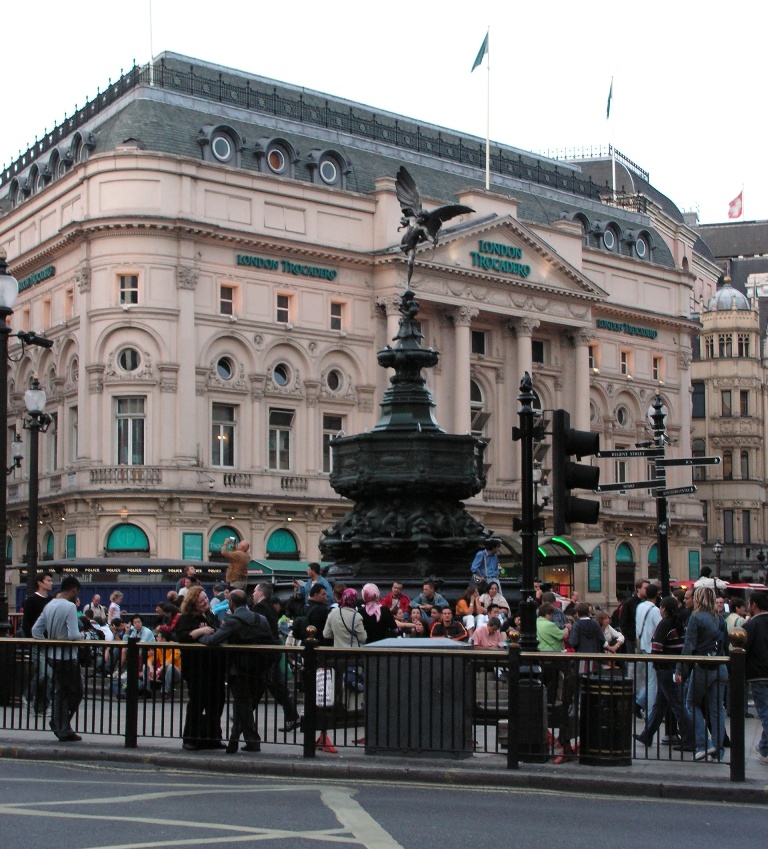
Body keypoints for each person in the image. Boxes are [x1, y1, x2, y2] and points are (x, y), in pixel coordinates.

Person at [199, 589, 274, 754]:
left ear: (231, 603)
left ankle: (252, 741)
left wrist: (201, 636)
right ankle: (236, 741)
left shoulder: (232, 620)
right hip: (261, 668)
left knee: (242, 705)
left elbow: (213, 640)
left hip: (239, 670)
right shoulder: (261, 619)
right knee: (244, 706)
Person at [674, 586, 728, 761]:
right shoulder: (720, 619)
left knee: (691, 704)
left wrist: (680, 669)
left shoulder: (695, 618)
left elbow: (689, 646)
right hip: (720, 666)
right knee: (716, 709)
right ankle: (718, 750)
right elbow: (725, 646)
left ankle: (704, 744)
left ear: (698, 599)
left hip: (703, 667)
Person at [31, 576, 87, 742]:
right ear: (74, 590)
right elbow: (73, 634)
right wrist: (82, 638)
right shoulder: (69, 606)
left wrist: (47, 645)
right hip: (68, 657)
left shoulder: (50, 604)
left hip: (52, 656)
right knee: (75, 692)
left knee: (60, 691)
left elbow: (36, 630)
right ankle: (60, 723)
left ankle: (61, 725)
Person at [173, 586, 227, 751]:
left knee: (216, 702)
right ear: (192, 603)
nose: (205, 602)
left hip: (214, 667)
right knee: (197, 702)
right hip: (197, 667)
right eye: (201, 601)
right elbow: (181, 637)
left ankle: (212, 737)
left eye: (205, 599)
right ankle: (190, 738)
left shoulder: (210, 615)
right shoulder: (186, 618)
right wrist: (199, 631)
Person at [634, 596, 690, 750]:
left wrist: (654, 660)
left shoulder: (664, 624)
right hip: (675, 666)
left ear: (663, 609)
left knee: (677, 705)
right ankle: (647, 734)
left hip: (665, 668)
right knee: (660, 705)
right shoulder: (680, 624)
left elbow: (657, 647)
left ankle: (690, 737)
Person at [252, 582, 302, 732]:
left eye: (255, 591)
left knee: (270, 685)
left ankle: (243, 714)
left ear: (261, 593)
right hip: (272, 652)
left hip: (265, 654)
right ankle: (293, 716)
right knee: (271, 686)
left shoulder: (259, 608)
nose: (253, 593)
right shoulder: (270, 607)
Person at [22, 571, 54, 713]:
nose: (51, 583)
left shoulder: (51, 601)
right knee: (44, 673)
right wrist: (33, 638)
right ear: (40, 583)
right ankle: (28, 695)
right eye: (48, 580)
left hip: (49, 642)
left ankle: (41, 705)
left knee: (48, 674)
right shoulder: (31, 600)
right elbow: (26, 623)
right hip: (37, 641)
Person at [743, 592, 768, 765]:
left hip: (758, 674)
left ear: (754, 605)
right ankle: (764, 748)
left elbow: (742, 650)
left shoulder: (751, 626)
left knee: (765, 712)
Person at [635, 584, 662, 717]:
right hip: (652, 648)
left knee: (650, 679)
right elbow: (661, 627)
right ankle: (650, 711)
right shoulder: (655, 610)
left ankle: (640, 701)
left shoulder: (640, 606)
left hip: (643, 646)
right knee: (653, 681)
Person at [146, 626, 182, 697]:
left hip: (175, 673)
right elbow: (150, 659)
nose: (157, 639)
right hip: (162, 672)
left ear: (163, 639)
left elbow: (169, 661)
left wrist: (159, 670)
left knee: (170, 667)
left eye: (158, 637)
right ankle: (148, 690)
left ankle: (165, 691)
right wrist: (151, 668)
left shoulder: (174, 646)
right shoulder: (159, 648)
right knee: (145, 667)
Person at [619, 578, 650, 654]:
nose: (647, 590)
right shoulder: (629, 603)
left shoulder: (649, 601)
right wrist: (632, 637)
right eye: (645, 588)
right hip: (633, 639)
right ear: (638, 589)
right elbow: (623, 622)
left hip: (646, 639)